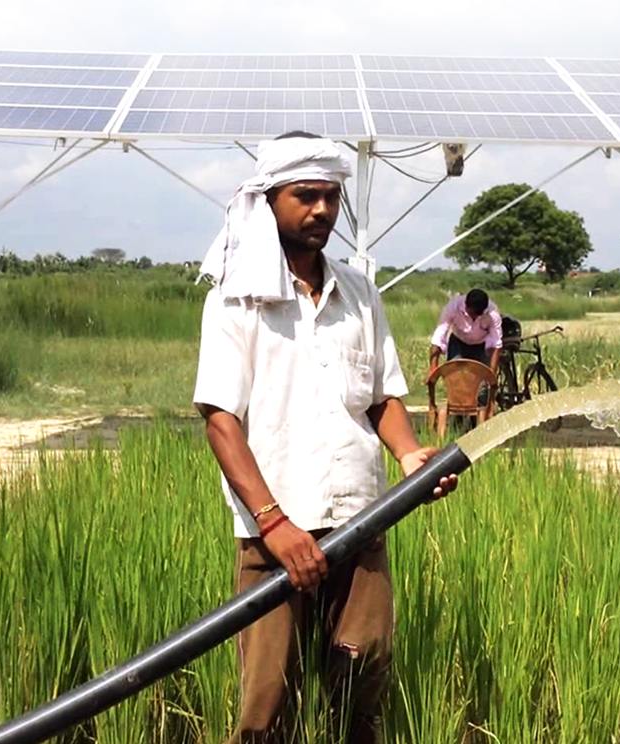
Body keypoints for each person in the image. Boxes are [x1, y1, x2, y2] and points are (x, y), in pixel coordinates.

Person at [193, 131, 457, 744]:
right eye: (305, 196)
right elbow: (221, 421)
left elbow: (381, 397)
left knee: (360, 694)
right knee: (266, 709)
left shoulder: (359, 291)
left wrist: (411, 454)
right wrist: (274, 523)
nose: (321, 211)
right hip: (275, 538)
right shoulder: (238, 298)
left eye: (331, 198)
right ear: (270, 201)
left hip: (359, 524)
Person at [428, 288, 503, 380]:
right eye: (471, 313)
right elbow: (438, 337)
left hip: (481, 345)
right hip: (458, 342)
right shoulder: (453, 307)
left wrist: (492, 377)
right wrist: (433, 371)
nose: (474, 317)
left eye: (478, 315)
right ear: (465, 306)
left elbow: (496, 344)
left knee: (481, 383)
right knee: (454, 377)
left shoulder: (493, 314)